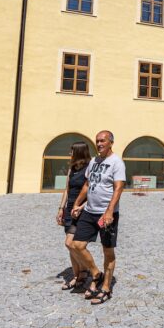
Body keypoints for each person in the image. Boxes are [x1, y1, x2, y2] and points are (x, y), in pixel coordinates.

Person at [70, 130, 126, 304]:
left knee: (107, 251)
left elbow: (118, 188)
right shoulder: (94, 161)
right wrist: (77, 204)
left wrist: (109, 211)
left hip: (106, 214)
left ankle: (106, 288)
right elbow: (87, 184)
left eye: (103, 141)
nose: (99, 144)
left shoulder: (117, 163)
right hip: (89, 211)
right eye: (97, 141)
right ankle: (96, 273)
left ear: (111, 142)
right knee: (77, 245)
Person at [55, 141, 91, 290]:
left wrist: (81, 206)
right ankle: (78, 274)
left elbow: (91, 191)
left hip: (81, 211)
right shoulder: (72, 168)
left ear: (79, 153)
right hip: (69, 209)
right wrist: (61, 208)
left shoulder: (89, 169)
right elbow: (67, 189)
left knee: (70, 243)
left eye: (71, 152)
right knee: (71, 246)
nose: (69, 154)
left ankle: (87, 271)